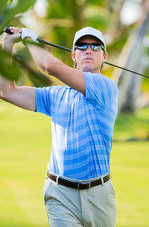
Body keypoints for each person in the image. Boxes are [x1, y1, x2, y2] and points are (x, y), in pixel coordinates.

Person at [0, 26, 118, 227]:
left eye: (95, 46)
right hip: (60, 194)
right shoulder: (55, 95)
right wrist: (7, 44)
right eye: (82, 46)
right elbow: (6, 91)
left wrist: (28, 38)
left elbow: (49, 66)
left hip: (99, 196)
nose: (88, 50)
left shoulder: (105, 87)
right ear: (73, 55)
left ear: (104, 56)